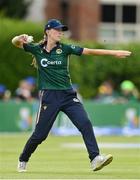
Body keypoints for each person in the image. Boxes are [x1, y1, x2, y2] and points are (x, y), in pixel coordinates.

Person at [12, 19, 131, 172]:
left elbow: (89, 51)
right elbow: (15, 43)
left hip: (68, 96)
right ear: (48, 32)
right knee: (40, 135)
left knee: (85, 123)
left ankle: (95, 158)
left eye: (61, 30)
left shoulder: (65, 49)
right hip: (49, 97)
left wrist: (114, 53)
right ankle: (23, 159)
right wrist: (19, 37)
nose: (60, 32)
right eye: (57, 30)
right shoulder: (37, 49)